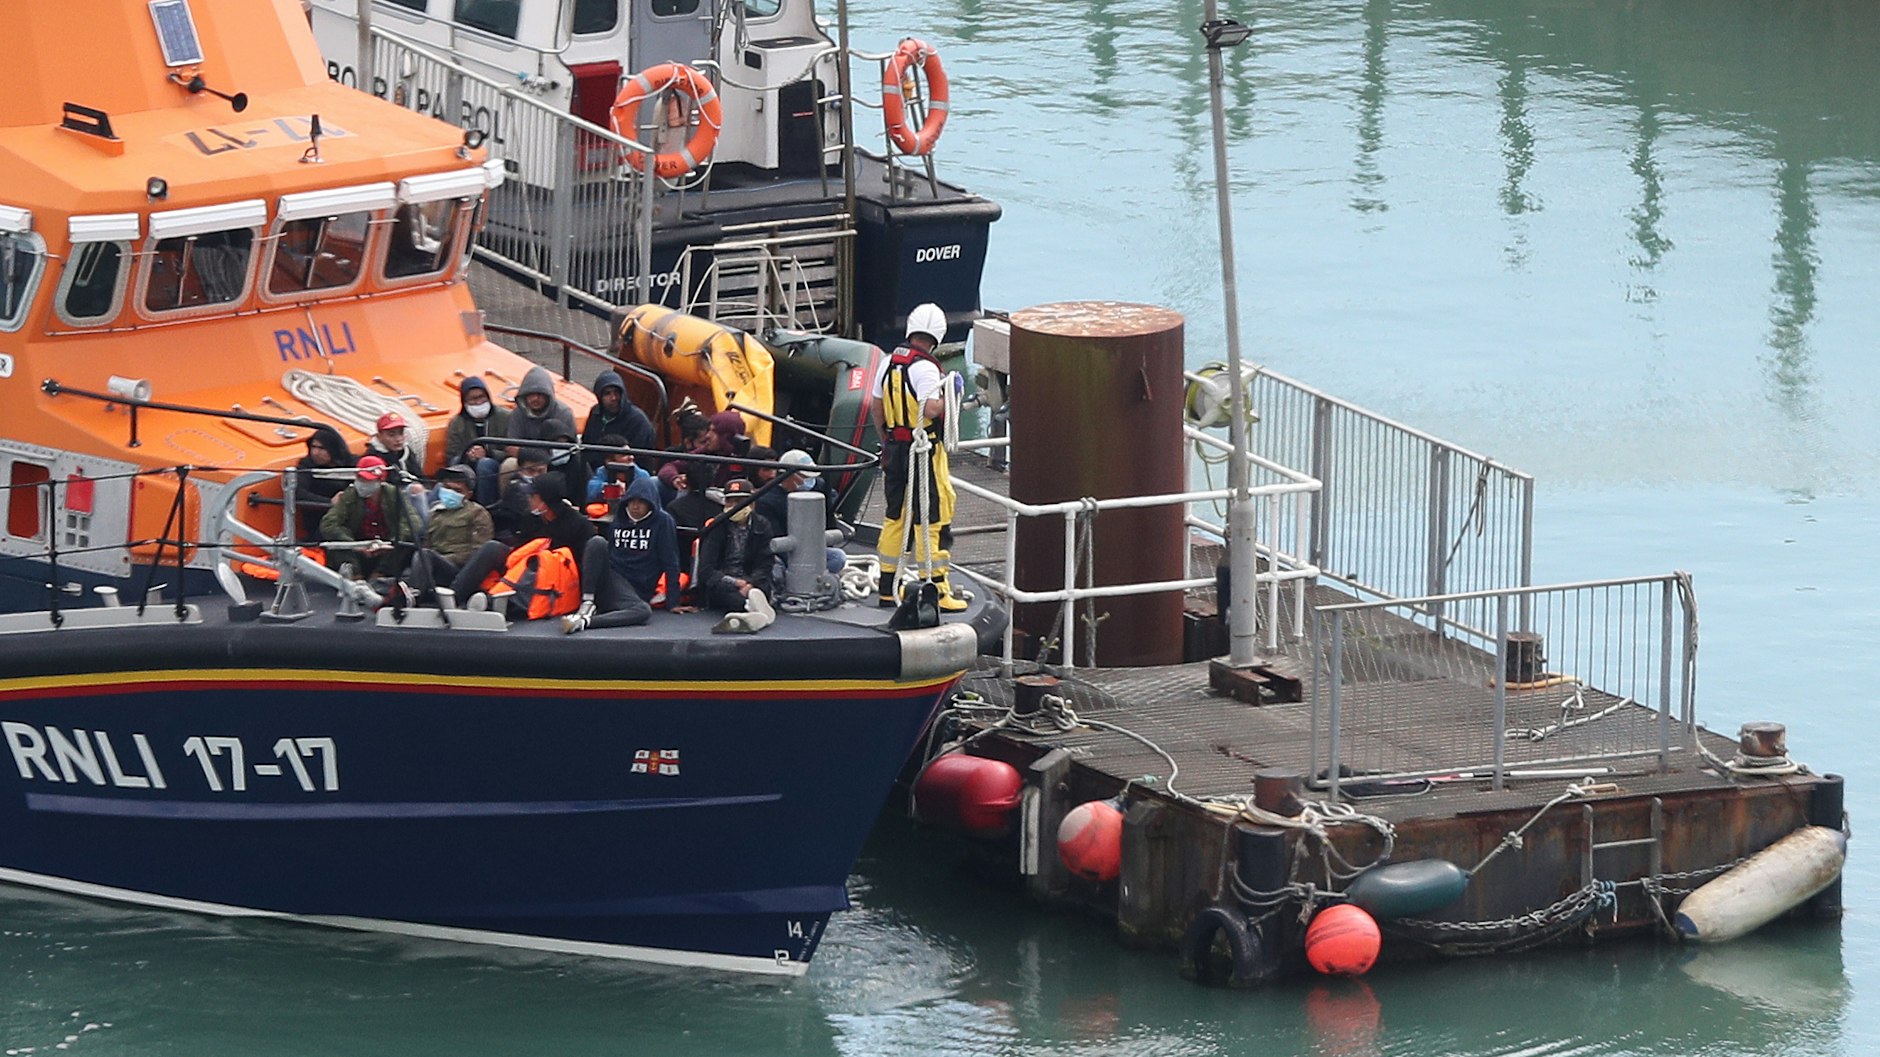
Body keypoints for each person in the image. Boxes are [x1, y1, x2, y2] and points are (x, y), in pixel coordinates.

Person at [450, 475, 650, 632]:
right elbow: (520, 553)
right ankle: (453, 598)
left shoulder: (577, 523)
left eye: (533, 496)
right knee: (492, 548)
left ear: (544, 502)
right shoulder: (530, 519)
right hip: (529, 573)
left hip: (563, 583)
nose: (528, 499)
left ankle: (585, 616)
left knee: (639, 608)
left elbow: (586, 563)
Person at [870, 301, 964, 611]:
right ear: (937, 336)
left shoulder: (888, 362)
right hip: (923, 452)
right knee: (931, 518)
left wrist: (887, 438)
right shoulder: (926, 369)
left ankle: (887, 587)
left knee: (895, 516)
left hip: (894, 450)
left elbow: (876, 406)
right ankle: (937, 590)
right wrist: (951, 395)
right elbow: (932, 409)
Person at [401, 465, 494, 605]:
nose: (450, 492)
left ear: (468, 494)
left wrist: (442, 558)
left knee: (425, 554)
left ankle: (414, 597)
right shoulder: (435, 512)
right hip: (434, 566)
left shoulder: (477, 513)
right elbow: (427, 543)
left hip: (459, 571)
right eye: (447, 488)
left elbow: (478, 553)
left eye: (457, 490)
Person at [319, 455, 421, 579]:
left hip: (387, 548)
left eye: (368, 480)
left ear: (381, 481)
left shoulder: (394, 494)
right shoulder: (350, 494)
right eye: (360, 478)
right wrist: (354, 545)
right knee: (335, 542)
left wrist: (391, 542)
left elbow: (413, 521)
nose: (363, 483)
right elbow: (329, 523)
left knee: (407, 542)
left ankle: (380, 575)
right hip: (358, 548)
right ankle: (355, 575)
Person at [607, 476, 690, 610]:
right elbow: (609, 551)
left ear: (650, 503)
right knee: (596, 544)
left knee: (640, 610)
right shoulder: (620, 516)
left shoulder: (663, 521)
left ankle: (588, 617)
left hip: (640, 585)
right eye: (631, 501)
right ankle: (587, 600)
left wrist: (673, 603)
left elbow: (670, 561)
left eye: (641, 502)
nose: (635, 506)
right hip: (613, 578)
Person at [694, 478, 776, 613]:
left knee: (763, 588)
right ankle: (752, 608)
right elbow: (706, 570)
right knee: (731, 599)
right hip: (724, 582)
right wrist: (735, 583)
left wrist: (750, 584)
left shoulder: (762, 525)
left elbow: (766, 563)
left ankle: (753, 606)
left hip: (752, 580)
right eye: (729, 501)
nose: (733, 506)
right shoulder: (716, 525)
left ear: (752, 503)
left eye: (738, 502)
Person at [762, 448, 847, 578]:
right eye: (804, 476)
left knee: (838, 557)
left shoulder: (818, 486)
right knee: (775, 568)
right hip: (784, 551)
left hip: (810, 547)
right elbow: (774, 539)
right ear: (788, 474)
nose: (808, 481)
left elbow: (829, 513)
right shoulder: (767, 500)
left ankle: (809, 580)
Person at [444, 374, 510, 505]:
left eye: (481, 397)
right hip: (467, 463)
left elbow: (510, 450)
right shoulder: (456, 423)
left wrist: (488, 453)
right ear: (465, 402)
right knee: (456, 464)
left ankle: (487, 507)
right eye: (472, 399)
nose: (478, 402)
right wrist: (469, 455)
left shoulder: (505, 417)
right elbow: (451, 454)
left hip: (496, 465)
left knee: (484, 464)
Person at [581, 371, 655, 472]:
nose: (614, 398)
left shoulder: (637, 420)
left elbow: (640, 459)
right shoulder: (595, 413)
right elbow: (586, 445)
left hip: (627, 474)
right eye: (607, 393)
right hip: (595, 471)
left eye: (617, 392)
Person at [292, 424, 354, 541]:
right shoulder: (305, 467)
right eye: (313, 447)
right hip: (321, 524)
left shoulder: (351, 463)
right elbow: (298, 493)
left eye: (321, 448)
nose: (315, 452)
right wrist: (329, 502)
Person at [491, 447, 551, 544]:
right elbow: (534, 513)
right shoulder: (515, 488)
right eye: (531, 471)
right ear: (520, 469)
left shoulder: (548, 485)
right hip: (519, 536)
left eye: (541, 471)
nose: (536, 475)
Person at [365, 411, 424, 485]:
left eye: (401, 433)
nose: (398, 439)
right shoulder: (372, 457)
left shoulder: (406, 451)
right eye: (391, 435)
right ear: (379, 436)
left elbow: (419, 476)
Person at [587, 436, 650, 504]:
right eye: (624, 455)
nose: (631, 457)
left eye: (631, 453)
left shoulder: (643, 476)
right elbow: (591, 492)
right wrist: (611, 488)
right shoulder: (601, 472)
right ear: (609, 461)